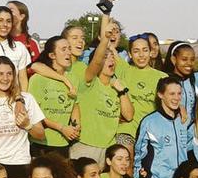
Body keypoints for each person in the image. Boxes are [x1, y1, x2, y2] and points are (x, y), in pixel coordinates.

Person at [134, 77, 193, 178]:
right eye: (172, 93)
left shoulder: (184, 120)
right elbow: (139, 154)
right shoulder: (149, 122)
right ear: (161, 95)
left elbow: (189, 146)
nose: (176, 98)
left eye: (179, 94)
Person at [70, 15, 133, 165]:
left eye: (112, 57)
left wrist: (122, 92)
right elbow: (97, 60)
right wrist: (106, 30)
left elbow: (129, 115)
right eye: (106, 57)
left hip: (108, 148)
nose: (110, 60)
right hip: (86, 146)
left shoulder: (118, 85)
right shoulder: (89, 82)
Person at [27, 35, 82, 158]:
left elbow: (75, 106)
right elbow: (35, 114)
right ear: (52, 55)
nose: (68, 52)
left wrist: (76, 125)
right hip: (41, 143)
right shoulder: (38, 79)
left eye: (69, 48)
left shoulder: (74, 78)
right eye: (63, 49)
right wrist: (61, 128)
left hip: (63, 143)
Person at [115, 34, 167, 153]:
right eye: (136, 51)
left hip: (151, 132)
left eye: (145, 50)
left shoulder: (162, 77)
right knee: (125, 157)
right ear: (130, 54)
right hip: (126, 129)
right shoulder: (123, 71)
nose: (141, 55)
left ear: (151, 52)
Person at [0, 6, 30, 90]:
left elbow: (22, 78)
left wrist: (23, 100)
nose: (5, 25)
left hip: (13, 98)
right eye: (0, 20)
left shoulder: (19, 47)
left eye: (8, 21)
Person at [164, 41, 198, 118]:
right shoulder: (165, 81)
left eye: (192, 59)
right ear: (173, 59)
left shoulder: (193, 80)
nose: (189, 63)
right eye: (184, 59)